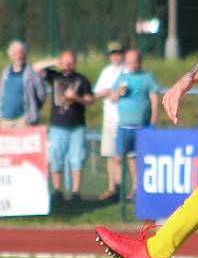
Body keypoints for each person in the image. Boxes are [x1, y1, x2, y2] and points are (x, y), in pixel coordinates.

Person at [34, 50, 94, 202]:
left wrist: (76, 98)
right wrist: (55, 62)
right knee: (56, 158)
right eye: (65, 62)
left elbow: (89, 100)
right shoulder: (55, 76)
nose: (68, 65)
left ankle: (75, 192)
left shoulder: (82, 79)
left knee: (77, 159)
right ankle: (57, 190)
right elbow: (35, 67)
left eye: (71, 62)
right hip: (58, 126)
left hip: (77, 126)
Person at [110, 49, 159, 200]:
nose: (133, 65)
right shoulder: (122, 78)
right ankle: (118, 188)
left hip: (141, 126)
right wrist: (119, 91)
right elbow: (112, 98)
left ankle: (136, 189)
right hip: (123, 126)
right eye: (130, 62)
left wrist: (152, 122)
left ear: (140, 62)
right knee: (118, 158)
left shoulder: (147, 78)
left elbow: (154, 100)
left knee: (135, 159)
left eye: (136, 62)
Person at [93, 41, 126, 199]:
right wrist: (107, 92)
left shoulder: (127, 70)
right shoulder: (106, 72)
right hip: (109, 118)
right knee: (110, 154)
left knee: (126, 156)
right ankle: (112, 187)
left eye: (118, 53)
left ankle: (128, 189)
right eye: (113, 53)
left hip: (125, 119)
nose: (115, 56)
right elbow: (96, 93)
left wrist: (116, 93)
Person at [0, 40, 47, 128]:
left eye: (21, 53)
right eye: (15, 54)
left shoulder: (31, 72)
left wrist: (33, 109)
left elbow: (42, 94)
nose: (18, 56)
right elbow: (2, 93)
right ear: (10, 56)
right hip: (5, 119)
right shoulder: (6, 72)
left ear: (25, 54)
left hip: (24, 120)